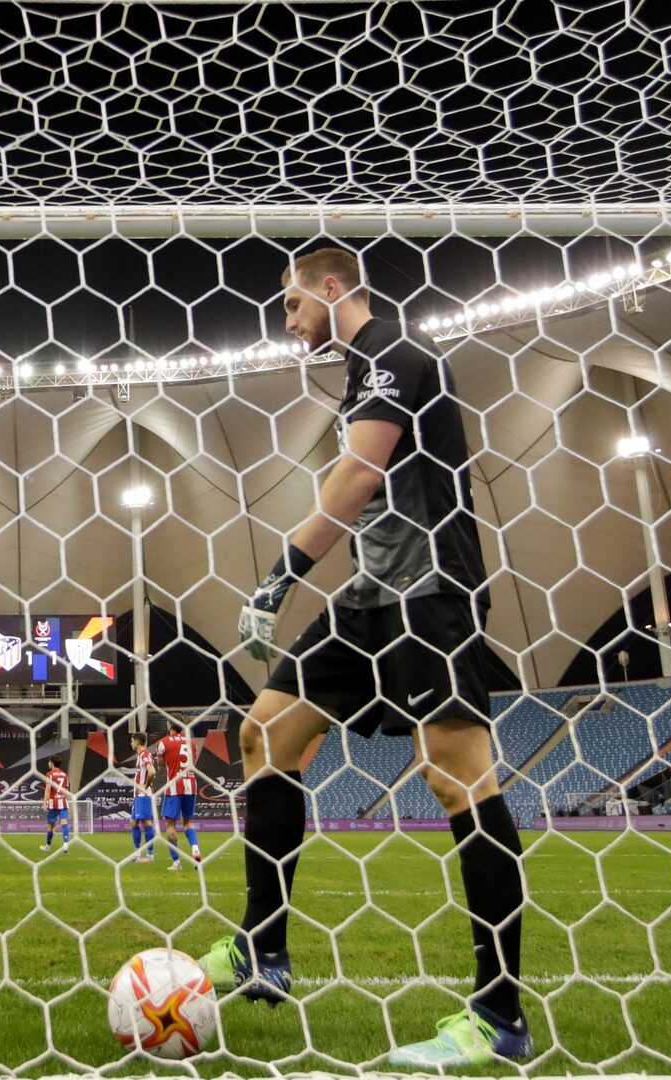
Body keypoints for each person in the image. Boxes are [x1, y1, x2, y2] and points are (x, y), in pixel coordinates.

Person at [199, 247, 530, 1068]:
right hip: (370, 594)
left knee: (455, 776)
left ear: (330, 287)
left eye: (290, 304)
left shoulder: (393, 351)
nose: (287, 322)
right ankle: (261, 950)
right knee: (265, 732)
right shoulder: (359, 370)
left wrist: (279, 577)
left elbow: (356, 474)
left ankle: (498, 1016)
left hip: (431, 588)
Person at [153, 724, 200, 870]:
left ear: (170, 725)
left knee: (170, 825)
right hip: (191, 784)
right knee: (187, 822)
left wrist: (161, 764)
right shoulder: (192, 743)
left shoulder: (163, 742)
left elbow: (161, 767)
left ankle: (176, 862)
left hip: (174, 786)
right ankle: (195, 848)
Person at [128, 732, 157, 863]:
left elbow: (152, 771)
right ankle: (137, 852)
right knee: (133, 822)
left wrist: (145, 785)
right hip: (138, 794)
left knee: (146, 823)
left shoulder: (145, 754)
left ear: (137, 742)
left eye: (132, 741)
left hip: (143, 794)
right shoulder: (141, 755)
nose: (131, 743)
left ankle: (150, 855)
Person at [41, 755, 70, 854]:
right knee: (64, 822)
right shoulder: (64, 774)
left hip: (53, 802)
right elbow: (66, 789)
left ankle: (48, 846)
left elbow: (48, 789)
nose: (48, 763)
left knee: (50, 825)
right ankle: (65, 844)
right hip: (63, 801)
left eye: (49, 762)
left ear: (52, 763)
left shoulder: (50, 774)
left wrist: (45, 803)